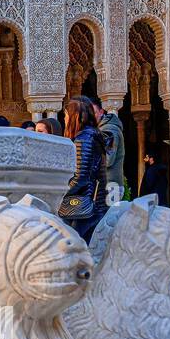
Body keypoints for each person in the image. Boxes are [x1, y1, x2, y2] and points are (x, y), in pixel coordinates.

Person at [61, 97, 109, 242]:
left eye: (66, 115)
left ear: (73, 116)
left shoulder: (84, 139)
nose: (64, 119)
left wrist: (62, 193)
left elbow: (81, 177)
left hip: (84, 207)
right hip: (91, 204)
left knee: (72, 249)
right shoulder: (92, 135)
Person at [92, 97, 126, 198]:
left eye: (93, 113)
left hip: (110, 187)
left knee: (108, 214)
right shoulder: (101, 129)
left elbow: (107, 159)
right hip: (108, 186)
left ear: (101, 112)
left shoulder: (109, 130)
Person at [139, 142, 170, 207]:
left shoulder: (152, 170)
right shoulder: (161, 170)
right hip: (162, 201)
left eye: (147, 157)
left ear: (151, 159)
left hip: (152, 202)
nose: (145, 159)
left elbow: (148, 185)